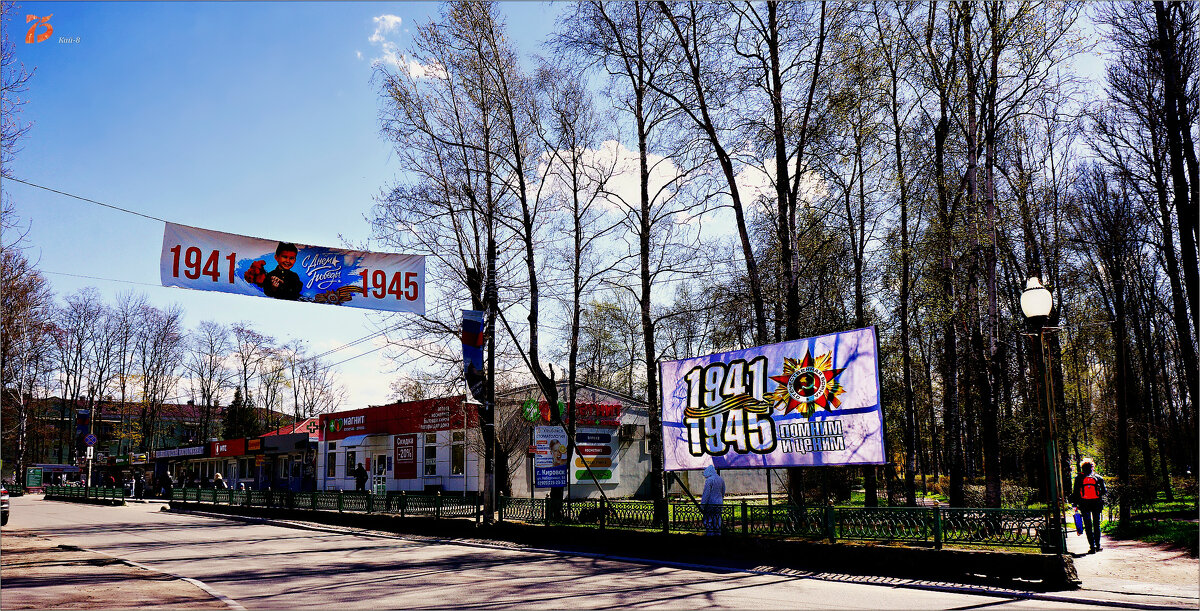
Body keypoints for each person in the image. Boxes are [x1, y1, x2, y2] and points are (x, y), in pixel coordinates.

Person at [1070, 458, 1107, 553]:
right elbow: (1104, 491)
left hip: (1084, 503)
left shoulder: (1079, 478)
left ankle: (1092, 547)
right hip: (1096, 503)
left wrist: (1075, 503)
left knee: (1088, 525)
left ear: (1082, 468)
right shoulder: (1098, 477)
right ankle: (1098, 545)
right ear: (1092, 467)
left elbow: (1075, 493)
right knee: (1096, 524)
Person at [701, 464, 726, 536]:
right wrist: (721, 499)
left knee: (709, 520)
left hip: (710, 503)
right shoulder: (720, 479)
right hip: (719, 503)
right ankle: (718, 534)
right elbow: (723, 491)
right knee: (717, 519)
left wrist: (703, 505)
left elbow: (706, 493)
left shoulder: (709, 480)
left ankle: (710, 535)